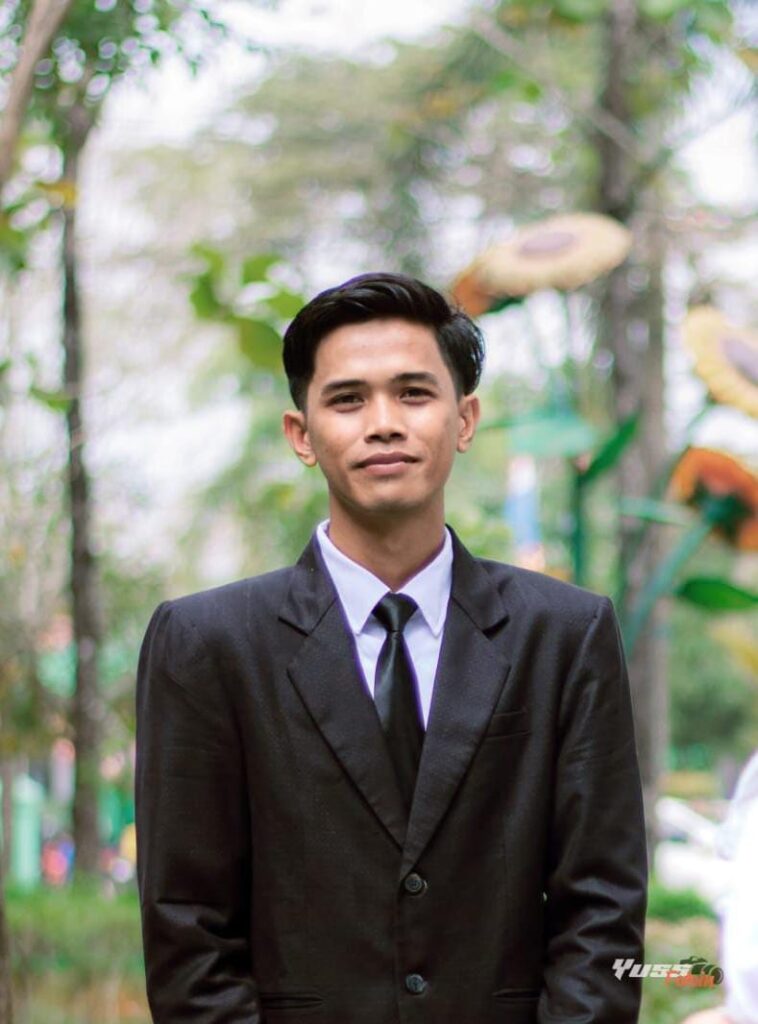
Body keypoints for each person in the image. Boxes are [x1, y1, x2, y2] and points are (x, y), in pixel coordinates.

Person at [135, 272, 648, 1023]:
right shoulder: (208, 644)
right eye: (348, 399)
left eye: (413, 393)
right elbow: (188, 931)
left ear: (464, 419)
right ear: (301, 435)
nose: (383, 423)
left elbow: (602, 913)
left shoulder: (565, 635)